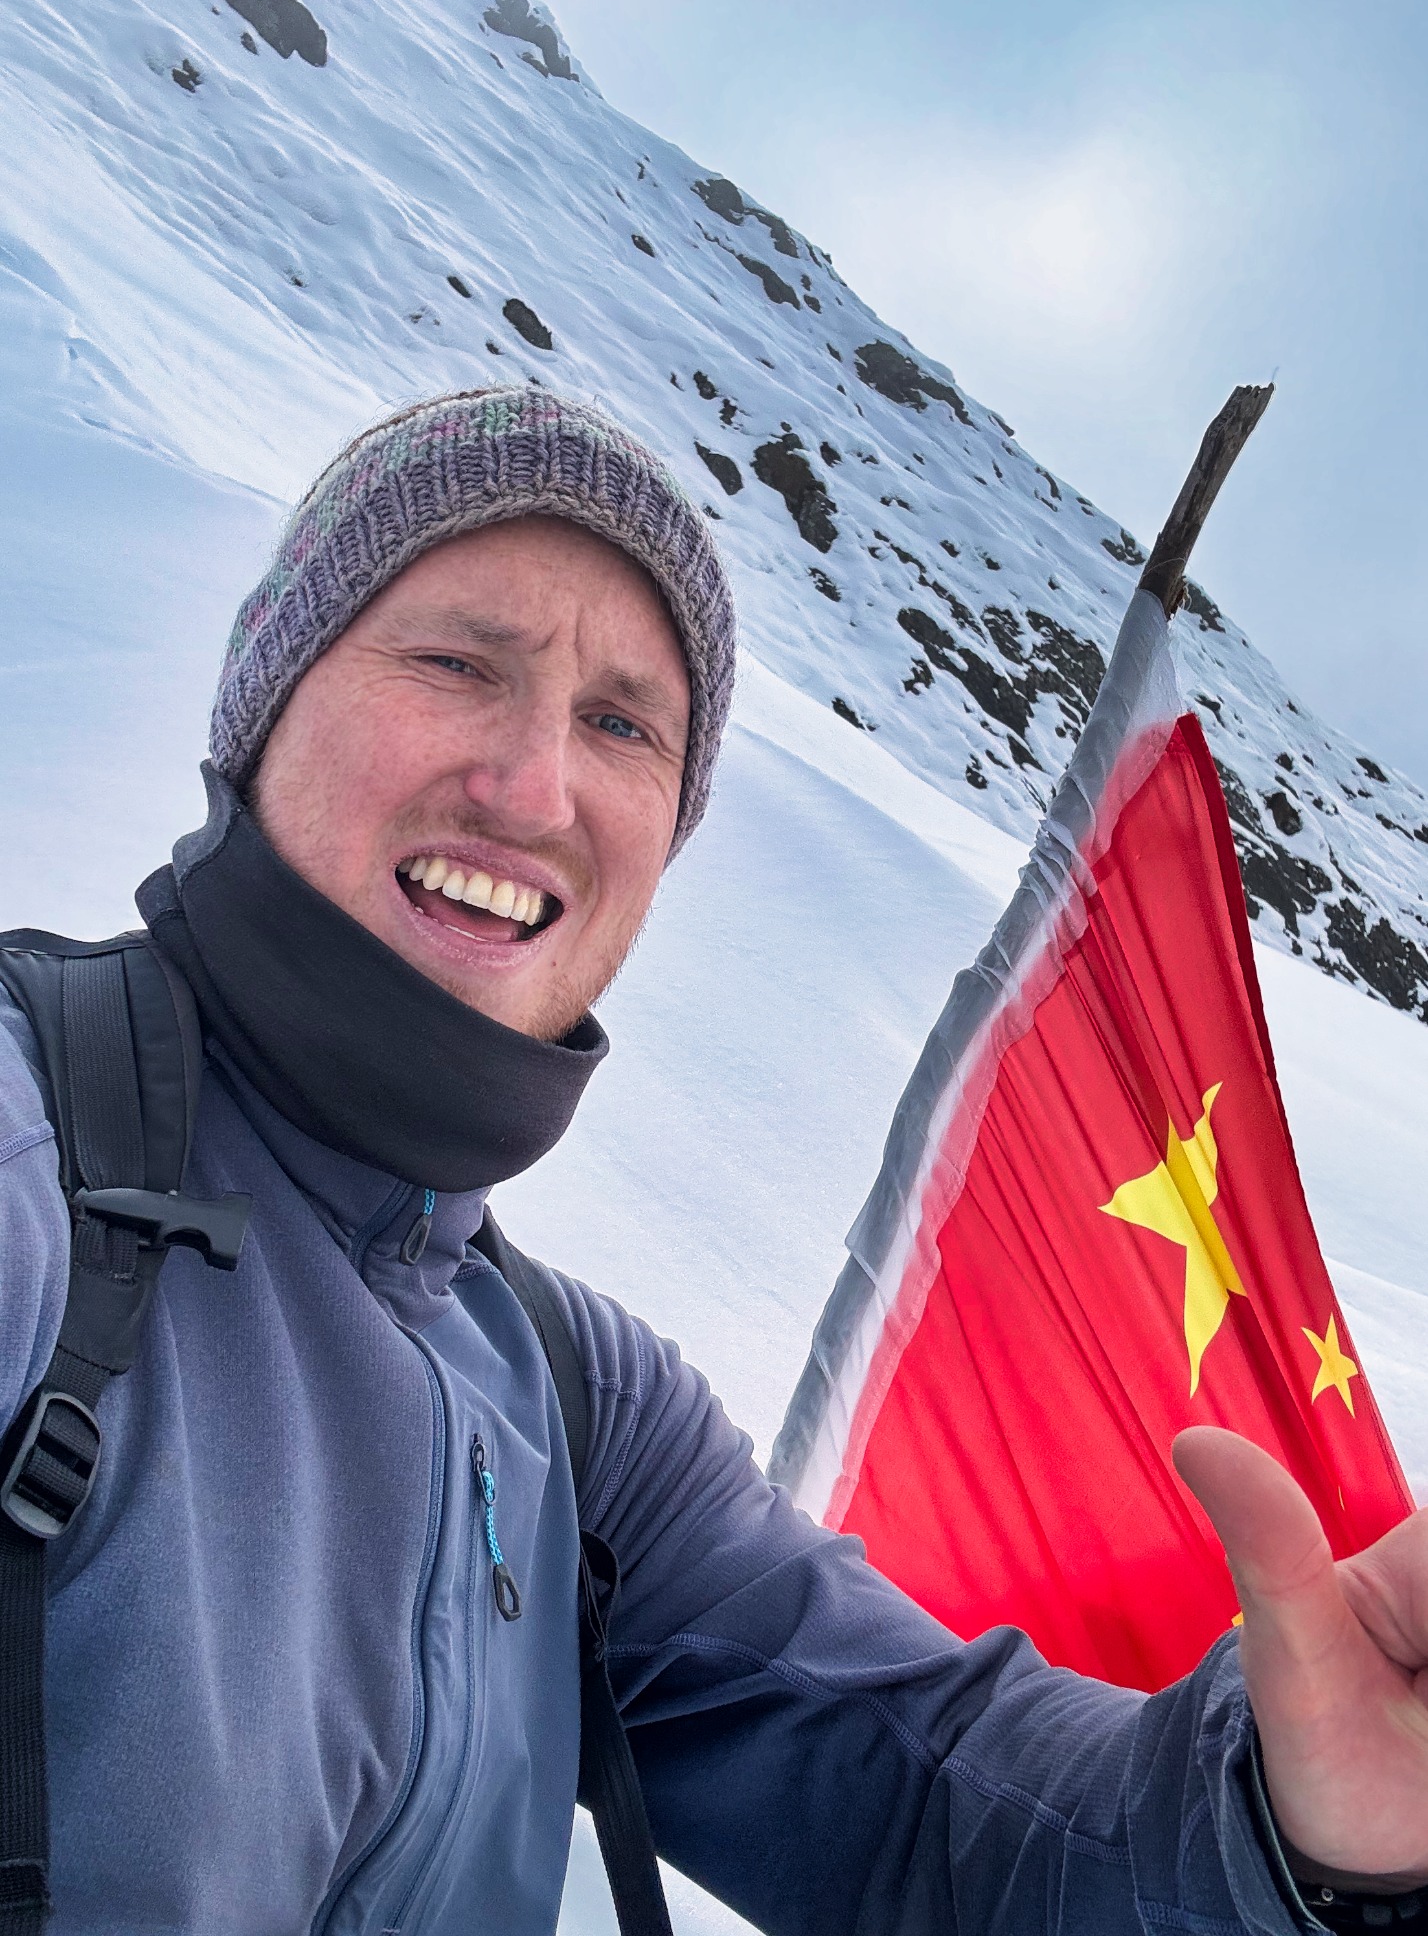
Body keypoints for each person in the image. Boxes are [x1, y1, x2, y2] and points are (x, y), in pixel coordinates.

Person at [0, 386, 1423, 1935]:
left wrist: (1281, 1827)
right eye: (458, 664)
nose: (534, 788)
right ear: (265, 708)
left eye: (622, 724)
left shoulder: (573, 1399)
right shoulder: (40, 1155)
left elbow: (934, 1806)